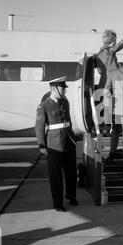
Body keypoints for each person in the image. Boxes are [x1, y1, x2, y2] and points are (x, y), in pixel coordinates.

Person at [35, 77, 78, 212]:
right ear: (54, 89)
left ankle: (71, 196)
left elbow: (68, 122)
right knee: (56, 176)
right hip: (54, 144)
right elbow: (39, 126)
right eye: (62, 88)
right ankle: (58, 203)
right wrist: (42, 145)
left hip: (69, 141)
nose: (65, 90)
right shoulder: (44, 105)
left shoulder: (65, 102)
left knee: (71, 172)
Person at [95, 19, 123, 138]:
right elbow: (122, 42)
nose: (116, 41)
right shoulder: (109, 51)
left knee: (105, 106)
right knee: (117, 106)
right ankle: (115, 128)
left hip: (103, 83)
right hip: (113, 82)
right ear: (112, 41)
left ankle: (105, 128)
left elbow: (100, 70)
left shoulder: (98, 53)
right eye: (115, 40)